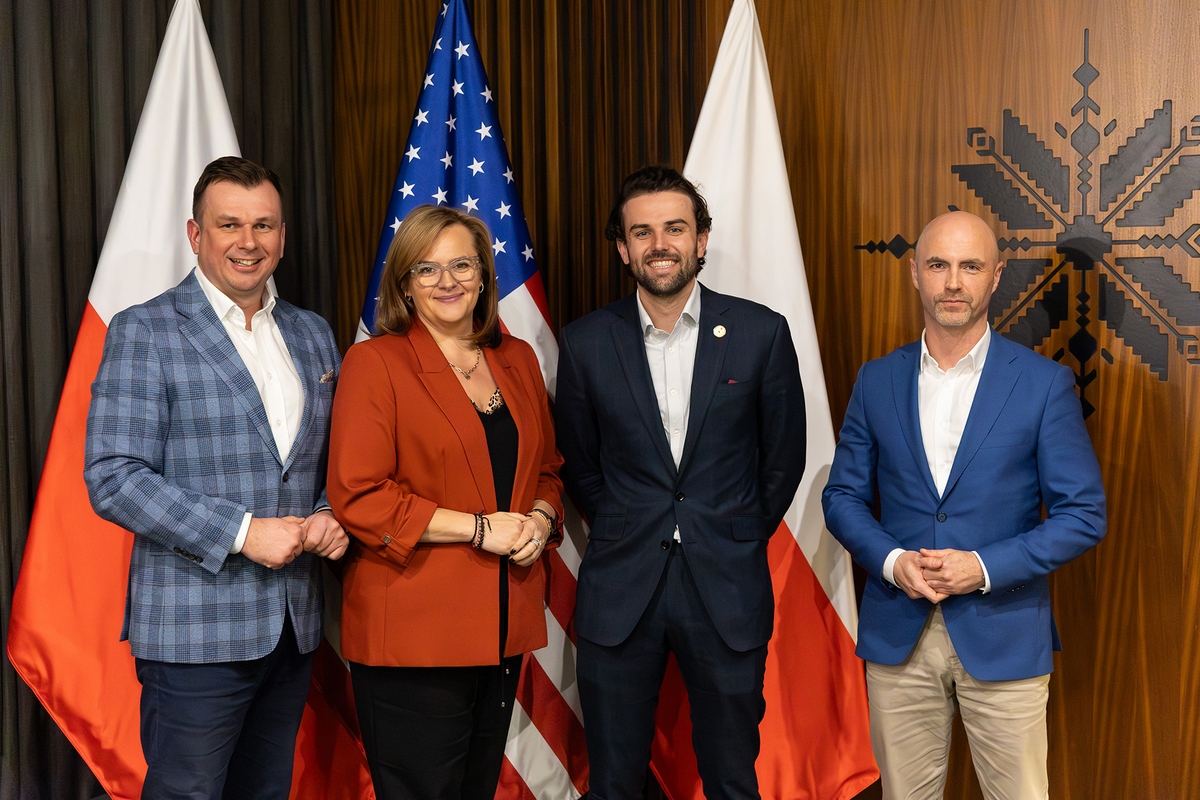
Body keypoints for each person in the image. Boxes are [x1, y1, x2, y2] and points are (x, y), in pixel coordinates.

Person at [84, 156, 347, 799]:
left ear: (282, 235)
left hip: (292, 623)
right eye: (229, 224)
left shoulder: (312, 335)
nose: (248, 242)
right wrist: (242, 532)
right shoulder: (145, 330)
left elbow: (330, 458)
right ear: (196, 234)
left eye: (264, 225)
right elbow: (114, 476)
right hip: (193, 629)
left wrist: (327, 512)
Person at [822, 211, 1106, 799]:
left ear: (995, 276)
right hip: (898, 634)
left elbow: (1083, 515)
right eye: (938, 265)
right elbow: (842, 496)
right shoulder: (876, 380)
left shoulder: (1043, 384)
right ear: (914, 273)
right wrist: (892, 561)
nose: (953, 283)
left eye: (970, 266)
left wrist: (982, 566)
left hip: (1004, 632)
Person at [554, 166, 807, 799]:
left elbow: (783, 460)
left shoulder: (761, 333)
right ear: (623, 248)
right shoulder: (585, 343)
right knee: (614, 783)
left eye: (675, 228)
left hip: (727, 587)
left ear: (701, 240)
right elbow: (579, 463)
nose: (659, 244)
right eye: (642, 232)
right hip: (621, 589)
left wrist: (734, 532)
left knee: (731, 780)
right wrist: (625, 523)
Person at [326, 205, 563, 800]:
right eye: (427, 269)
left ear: (484, 275)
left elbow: (547, 470)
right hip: (415, 629)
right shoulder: (375, 363)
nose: (447, 281)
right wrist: (479, 529)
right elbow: (359, 494)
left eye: (462, 265)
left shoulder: (517, 358)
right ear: (405, 283)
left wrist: (541, 518)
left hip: (502, 624)